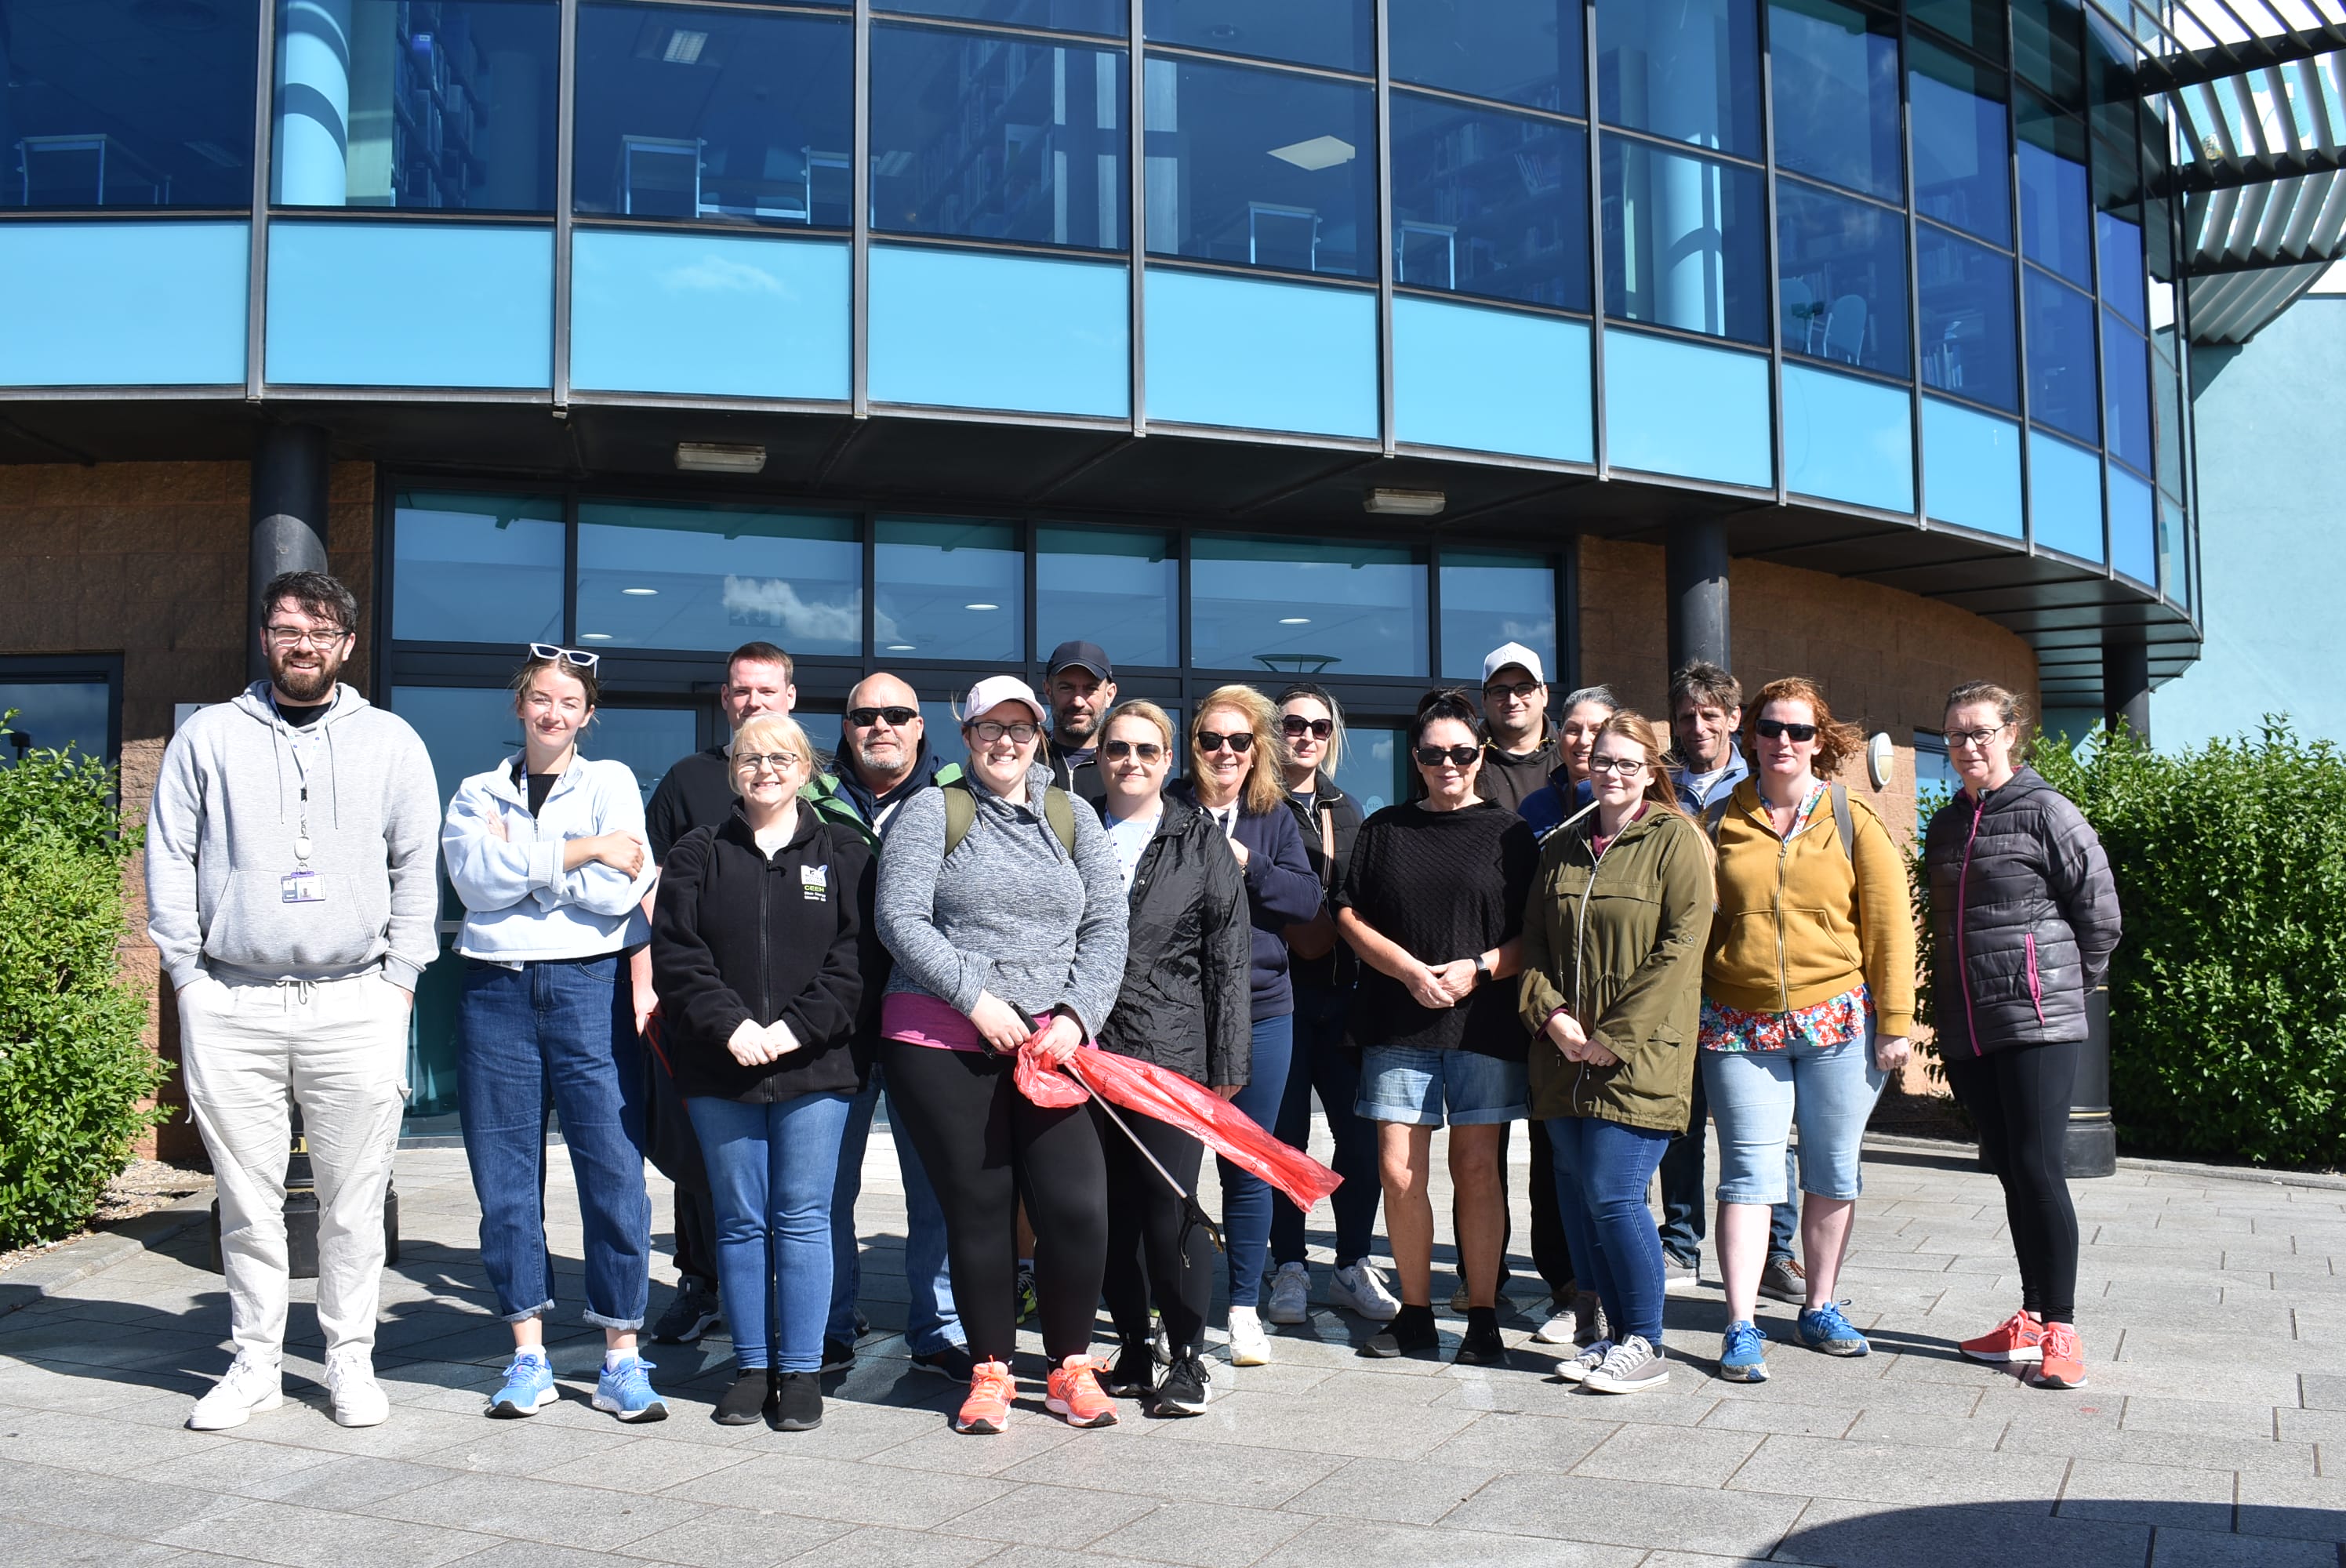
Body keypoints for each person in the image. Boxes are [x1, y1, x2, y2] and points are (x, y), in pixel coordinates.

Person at [148, 571, 438, 1432]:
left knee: (354, 1199)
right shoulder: (208, 736)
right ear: (265, 638)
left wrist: (400, 981)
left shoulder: (390, 741)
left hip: (356, 1000)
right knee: (246, 1201)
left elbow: (416, 866)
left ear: (346, 644)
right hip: (232, 1000)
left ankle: (349, 1359)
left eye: (320, 632)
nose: (302, 645)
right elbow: (169, 856)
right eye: (286, 629)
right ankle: (255, 1364)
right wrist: (188, 978)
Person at [873, 676, 1128, 1434]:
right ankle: (991, 1372)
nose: (1006, 742)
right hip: (945, 1036)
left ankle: (1069, 1367)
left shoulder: (1073, 815)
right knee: (980, 1206)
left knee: (1076, 1206)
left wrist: (1077, 1017)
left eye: (1021, 728)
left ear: (1039, 736)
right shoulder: (933, 811)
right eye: (990, 728)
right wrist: (977, 999)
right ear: (967, 736)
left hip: (1054, 1042)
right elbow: (899, 918)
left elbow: (1107, 927)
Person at [443, 644, 665, 1422]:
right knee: (505, 1179)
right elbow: (472, 883)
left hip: (588, 986)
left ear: (588, 715)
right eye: (541, 698)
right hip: (494, 991)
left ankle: (620, 1358)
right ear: (520, 705)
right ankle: (528, 1356)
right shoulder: (476, 791)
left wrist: (524, 864)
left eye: (569, 702)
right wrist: (584, 849)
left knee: (613, 1172)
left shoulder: (611, 782)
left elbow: (619, 889)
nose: (553, 712)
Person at [651, 712, 873, 1431]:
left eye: (781, 758)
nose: (766, 770)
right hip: (723, 1067)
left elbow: (857, 961)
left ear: (806, 769)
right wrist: (734, 1027)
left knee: (804, 1216)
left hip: (817, 1067)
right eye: (751, 758)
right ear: (732, 770)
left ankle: (802, 1371)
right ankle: (752, 1367)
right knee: (741, 1220)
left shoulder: (844, 852)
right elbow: (677, 955)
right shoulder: (697, 852)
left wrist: (793, 1030)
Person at [1700, 677, 1914, 1386]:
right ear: (1750, 737)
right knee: (1748, 1174)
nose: (1782, 742)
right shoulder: (1718, 819)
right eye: (1770, 729)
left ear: (1820, 740)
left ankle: (1819, 1307)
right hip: (1739, 1023)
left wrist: (1896, 1023)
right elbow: (1696, 923)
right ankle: (1740, 1323)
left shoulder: (1852, 815)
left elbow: (1889, 926)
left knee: (1832, 1169)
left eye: (1798, 731)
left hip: (1839, 1023)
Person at [1929, 681, 2120, 1392]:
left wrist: (2057, 985)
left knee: (2039, 1166)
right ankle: (2032, 1317)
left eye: (1979, 731)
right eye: (1955, 735)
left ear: (2011, 732)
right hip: (1970, 1023)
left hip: (2037, 1021)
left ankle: (2062, 1328)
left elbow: (2101, 916)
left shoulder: (2047, 811)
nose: (1967, 746)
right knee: (2011, 1167)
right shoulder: (1946, 824)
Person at [1337, 690, 1537, 1366]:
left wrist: (1477, 969)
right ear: (1416, 759)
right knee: (1399, 1173)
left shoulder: (1510, 834)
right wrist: (1407, 971)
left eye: (1461, 752)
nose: (1447, 763)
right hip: (1398, 1022)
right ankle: (1416, 1314)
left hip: (1482, 1024)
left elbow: (1533, 935)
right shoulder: (1384, 829)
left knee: (1477, 1169)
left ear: (1480, 755)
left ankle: (1482, 1318)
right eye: (1432, 753)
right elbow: (1348, 914)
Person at [1520, 712, 1712, 1394]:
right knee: (1582, 1201)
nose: (1613, 773)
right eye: (1604, 760)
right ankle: (1605, 1336)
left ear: (1651, 770)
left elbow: (1681, 949)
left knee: (1615, 1194)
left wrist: (1614, 1036)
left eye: (1629, 763)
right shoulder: (1563, 845)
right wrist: (1551, 1016)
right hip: (1564, 1058)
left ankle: (1645, 1342)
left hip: (1639, 1057)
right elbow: (1534, 944)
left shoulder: (1676, 840)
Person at [798, 673, 968, 1381]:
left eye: (897, 714)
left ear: (921, 726)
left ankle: (940, 1328)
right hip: (834, 1025)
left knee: (937, 1187)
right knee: (825, 1190)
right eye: (865, 715)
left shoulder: (960, 800)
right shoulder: (807, 801)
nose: (881, 726)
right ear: (846, 727)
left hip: (930, 1022)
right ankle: (829, 1324)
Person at [1090, 700, 1251, 1416]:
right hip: (1082, 1050)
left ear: (1167, 761)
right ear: (1100, 756)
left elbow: (1228, 955)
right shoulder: (1073, 828)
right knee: (1105, 1211)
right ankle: (1132, 1347)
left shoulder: (1199, 838)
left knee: (1169, 1205)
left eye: (1147, 750)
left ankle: (1187, 1358)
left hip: (1170, 1051)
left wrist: (1228, 1063)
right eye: (1118, 748)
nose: (1132, 761)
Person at [641, 641, 798, 1348]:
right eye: (740, 691)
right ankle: (701, 1284)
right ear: (725, 698)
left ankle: (813, 1300)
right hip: (709, 1013)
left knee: (804, 1176)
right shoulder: (687, 780)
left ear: (789, 697)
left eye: (766, 690)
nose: (752, 702)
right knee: (704, 1161)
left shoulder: (809, 775)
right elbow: (651, 890)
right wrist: (663, 986)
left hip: (801, 1018)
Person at [1169, 685, 1321, 1367]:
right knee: (1173, 1166)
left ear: (1257, 750)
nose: (1225, 752)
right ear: (1193, 745)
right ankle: (1172, 1304)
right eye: (1211, 739)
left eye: (1239, 741)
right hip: (1176, 1012)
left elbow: (1306, 899)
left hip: (1261, 1009)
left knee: (1249, 1162)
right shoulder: (1168, 806)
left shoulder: (1273, 816)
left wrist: (1248, 863)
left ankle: (1240, 1309)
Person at [1657, 660, 1803, 1305]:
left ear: (1733, 719)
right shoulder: (1659, 785)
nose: (1698, 727)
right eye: (1686, 717)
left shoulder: (1761, 782)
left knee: (1763, 1125)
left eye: (1710, 716)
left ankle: (1776, 1251)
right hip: (1679, 976)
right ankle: (1680, 1242)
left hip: (1744, 977)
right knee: (1678, 1116)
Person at [1264, 684, 1398, 1325]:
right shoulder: (1255, 805)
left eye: (1319, 727)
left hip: (1346, 999)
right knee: (1284, 1138)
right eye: (1294, 724)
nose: (1306, 736)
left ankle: (1351, 1261)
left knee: (1361, 1139)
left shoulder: (1350, 810)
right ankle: (1289, 1263)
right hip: (1277, 999)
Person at [1467, 644, 1580, 1346]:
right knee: (1482, 1143)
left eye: (1525, 688)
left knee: (1551, 1143)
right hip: (1485, 982)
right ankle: (1485, 1272)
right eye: (1500, 689)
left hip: (1548, 982)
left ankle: (1563, 1278)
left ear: (1544, 695)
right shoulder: (1467, 761)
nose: (1513, 699)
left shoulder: (1570, 770)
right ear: (1486, 697)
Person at [1516, 684, 1620, 844]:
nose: (1584, 741)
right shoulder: (1534, 806)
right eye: (1573, 730)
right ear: (1560, 736)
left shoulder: (1625, 805)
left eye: (1597, 731)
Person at [1041, 640, 1116, 805]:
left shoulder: (1123, 766)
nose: (1078, 702)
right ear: (1048, 691)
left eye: (1091, 689)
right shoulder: (1026, 764)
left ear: (1109, 695)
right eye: (1066, 688)